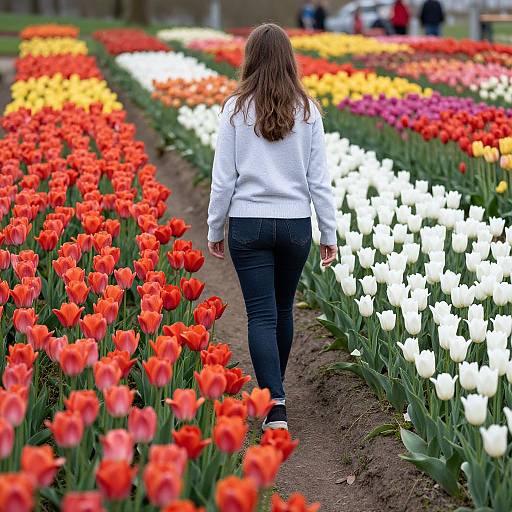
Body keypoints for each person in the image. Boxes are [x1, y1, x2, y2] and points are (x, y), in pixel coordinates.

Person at [207, 24, 337, 431]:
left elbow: (223, 178)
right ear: (289, 60)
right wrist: (328, 232)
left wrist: (215, 226)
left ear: (250, 59)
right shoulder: (307, 110)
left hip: (249, 223)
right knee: (282, 310)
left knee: (261, 315)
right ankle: (274, 395)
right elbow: (320, 180)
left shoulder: (235, 109)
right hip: (295, 224)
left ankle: (273, 405)